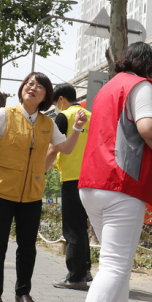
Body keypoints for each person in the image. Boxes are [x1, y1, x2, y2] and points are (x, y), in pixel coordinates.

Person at [61, 43, 152, 302]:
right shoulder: (141, 85)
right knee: (115, 264)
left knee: (115, 262)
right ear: (150, 68)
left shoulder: (107, 89)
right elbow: (150, 129)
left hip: (90, 184)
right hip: (121, 184)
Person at [0, 72, 87, 302]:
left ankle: (23, 292)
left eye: (39, 86)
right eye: (29, 84)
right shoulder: (5, 114)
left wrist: (76, 128)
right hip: (2, 189)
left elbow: (64, 147)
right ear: (23, 88)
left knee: (27, 247)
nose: (32, 88)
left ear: (47, 95)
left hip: (32, 193)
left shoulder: (48, 123)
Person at [49, 83, 94, 290]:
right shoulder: (91, 115)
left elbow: (54, 146)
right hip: (92, 179)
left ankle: (75, 277)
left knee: (73, 229)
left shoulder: (64, 116)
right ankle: (85, 270)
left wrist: (41, 169)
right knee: (82, 227)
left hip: (71, 178)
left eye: (56, 103)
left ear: (60, 100)